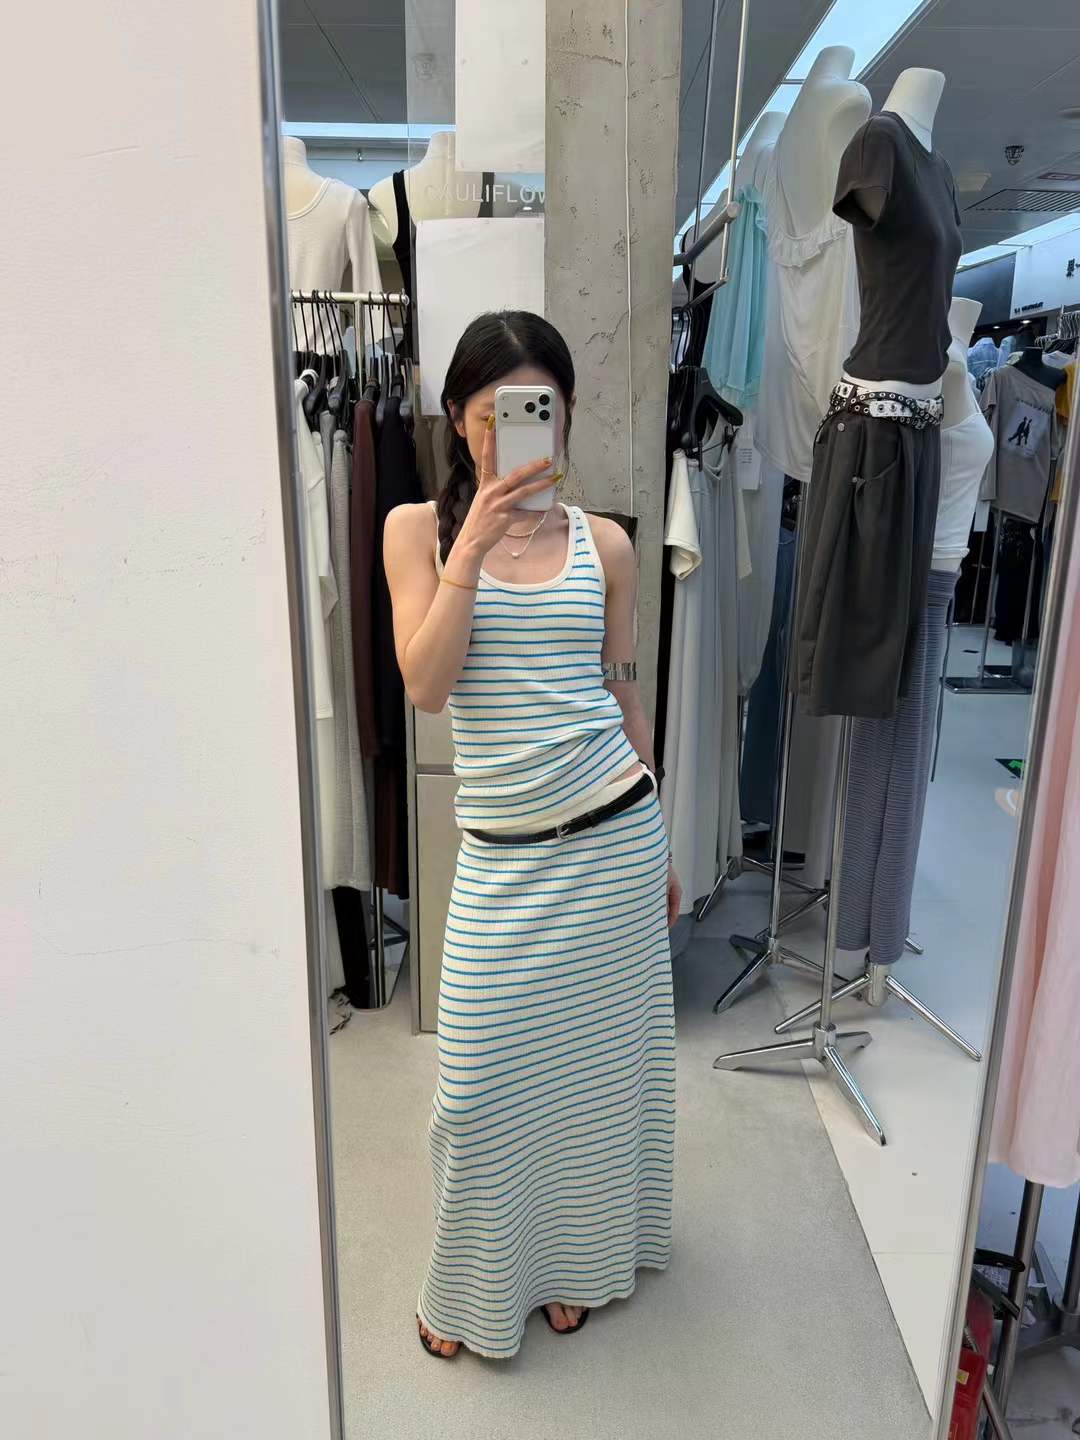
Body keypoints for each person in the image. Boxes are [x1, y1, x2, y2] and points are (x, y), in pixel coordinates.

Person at [383, 310, 680, 1361]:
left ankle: (576, 1261)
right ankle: (470, 1282)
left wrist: (664, 836)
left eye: (539, 409)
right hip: (502, 865)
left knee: (594, 1077)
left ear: (565, 415)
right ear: (459, 418)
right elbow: (426, 686)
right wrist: (471, 542)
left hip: (614, 838)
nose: (514, 429)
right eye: (493, 411)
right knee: (476, 1089)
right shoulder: (415, 531)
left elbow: (624, 694)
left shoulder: (607, 545)